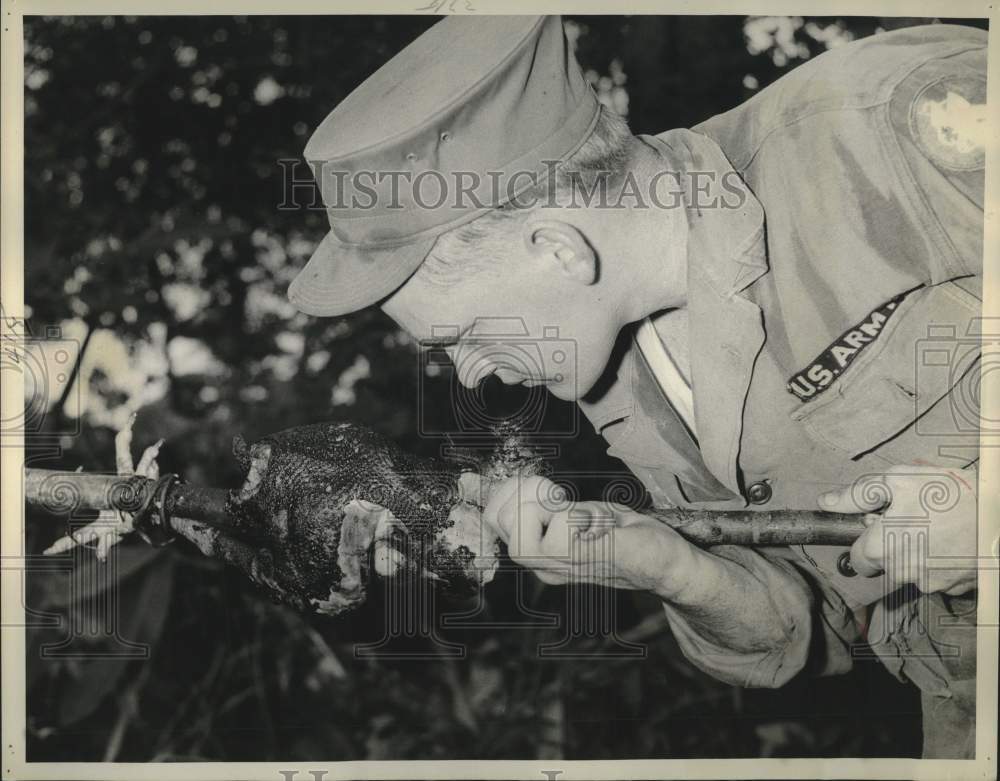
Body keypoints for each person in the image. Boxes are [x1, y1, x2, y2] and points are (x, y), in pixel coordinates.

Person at [286, 15, 986, 758]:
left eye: (462, 336)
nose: (470, 374)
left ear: (558, 248)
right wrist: (667, 565)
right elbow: (811, 629)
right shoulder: (617, 369)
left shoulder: (885, 126)